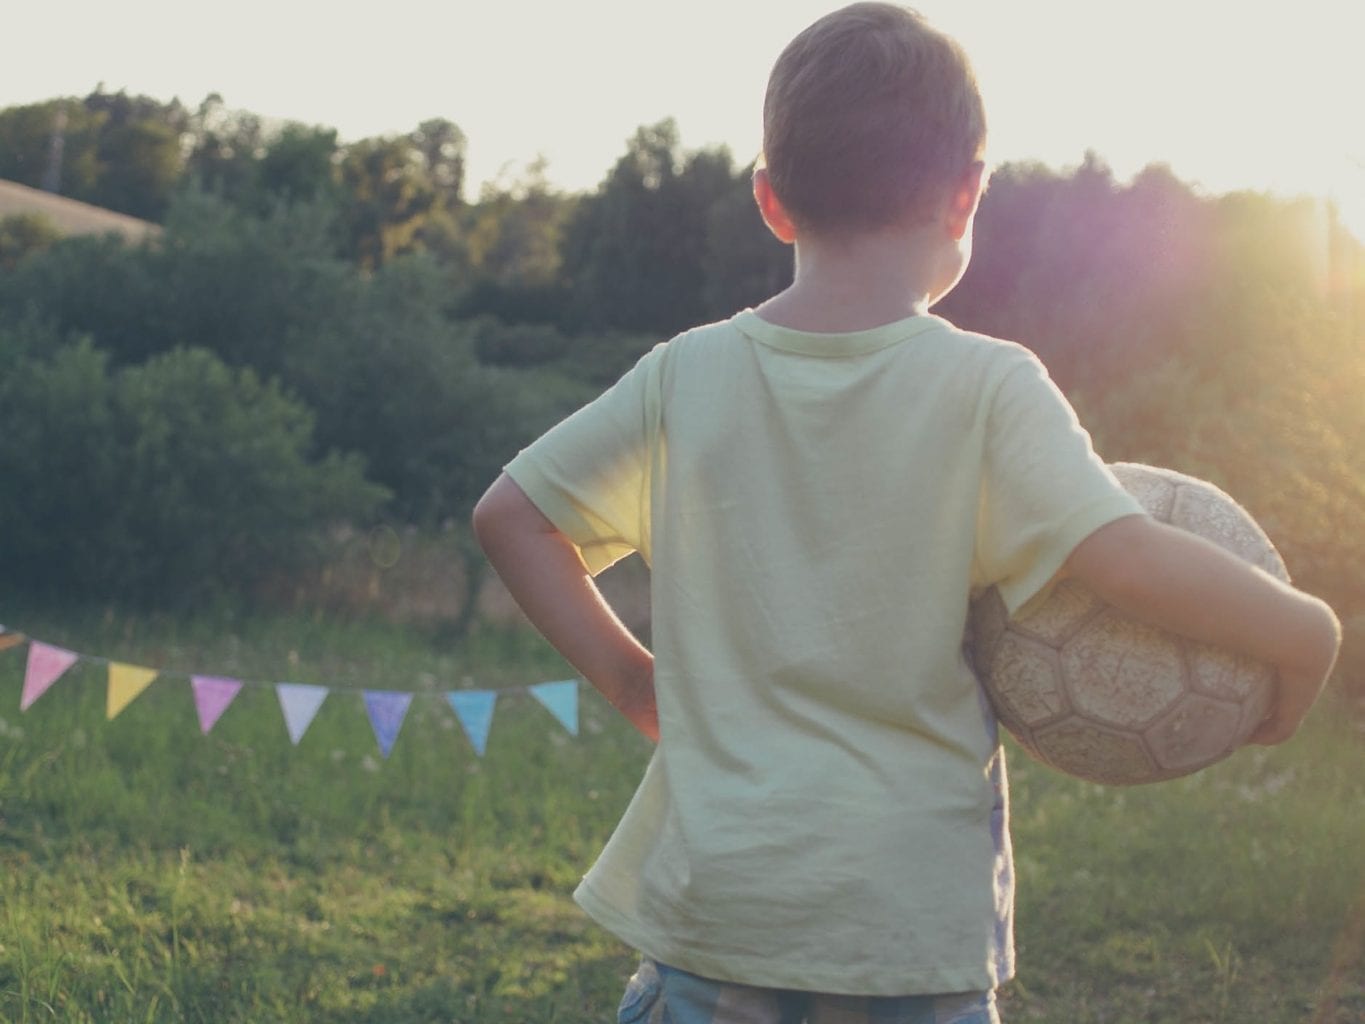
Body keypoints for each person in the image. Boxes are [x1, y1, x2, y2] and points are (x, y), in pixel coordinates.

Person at [471, 4, 1342, 1021]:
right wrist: (1305, 629)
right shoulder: (986, 387)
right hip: (905, 939)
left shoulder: (687, 374)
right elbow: (1125, 557)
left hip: (715, 918)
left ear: (771, 199)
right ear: (967, 192)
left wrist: (631, 676)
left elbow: (513, 514)